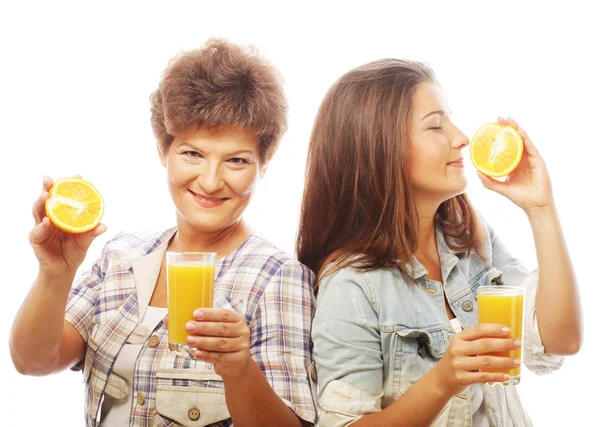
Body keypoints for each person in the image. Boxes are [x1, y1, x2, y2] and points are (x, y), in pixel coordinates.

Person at [10, 39, 315, 427]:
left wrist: (238, 368)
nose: (209, 180)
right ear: (163, 150)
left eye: (236, 160)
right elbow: (33, 361)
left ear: (263, 166)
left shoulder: (278, 278)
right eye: (192, 154)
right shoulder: (121, 256)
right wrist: (55, 274)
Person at [296, 59, 582, 426]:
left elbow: (561, 340)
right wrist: (443, 381)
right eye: (435, 125)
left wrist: (541, 209)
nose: (461, 136)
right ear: (380, 148)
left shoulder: (467, 235)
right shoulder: (351, 283)